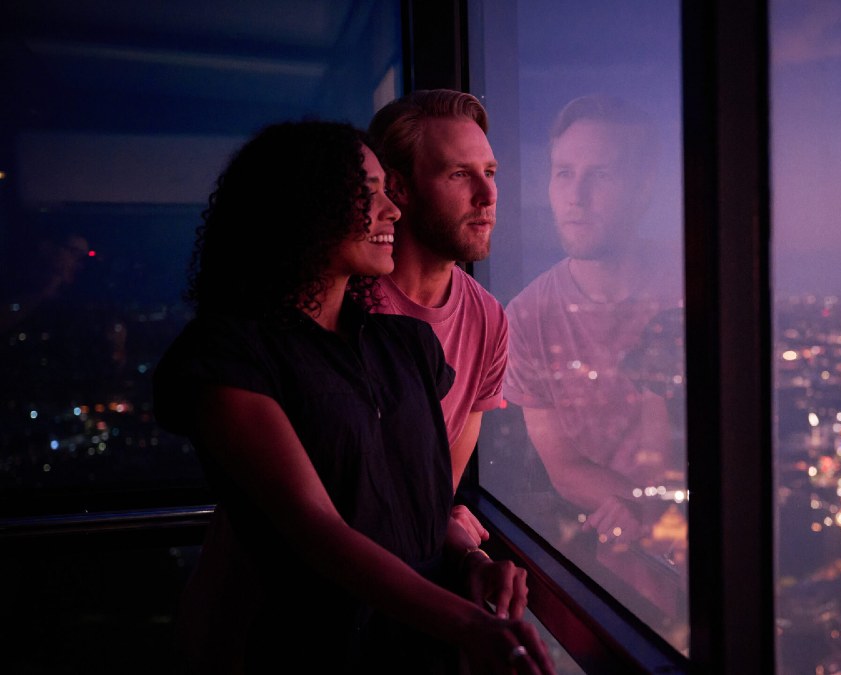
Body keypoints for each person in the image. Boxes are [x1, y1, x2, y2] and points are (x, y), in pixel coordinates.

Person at [153, 121, 553, 674]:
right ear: (303, 204)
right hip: (306, 651)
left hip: (421, 650)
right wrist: (469, 623)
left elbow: (416, 507)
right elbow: (316, 530)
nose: (391, 210)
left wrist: (472, 561)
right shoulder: (228, 359)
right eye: (367, 193)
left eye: (387, 193)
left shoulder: (407, 347)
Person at [504, 95, 685, 548]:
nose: (575, 197)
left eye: (600, 175)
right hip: (612, 560)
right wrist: (644, 508)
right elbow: (562, 467)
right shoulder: (528, 316)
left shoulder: (691, 281)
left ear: (643, 188)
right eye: (563, 173)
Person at [368, 90, 508, 547]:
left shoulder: (488, 319)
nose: (487, 195)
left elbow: (434, 489)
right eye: (459, 174)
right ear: (400, 188)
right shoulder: (345, 303)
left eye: (489, 173)